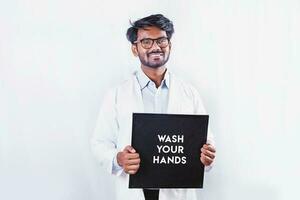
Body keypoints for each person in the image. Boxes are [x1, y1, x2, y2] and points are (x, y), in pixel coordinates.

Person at [91, 14, 216, 200]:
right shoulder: (117, 95)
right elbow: (100, 143)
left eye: (162, 40)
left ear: (170, 45)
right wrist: (119, 159)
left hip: (177, 193)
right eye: (146, 42)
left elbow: (207, 144)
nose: (156, 47)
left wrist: (207, 157)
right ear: (135, 49)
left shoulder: (189, 94)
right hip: (134, 192)